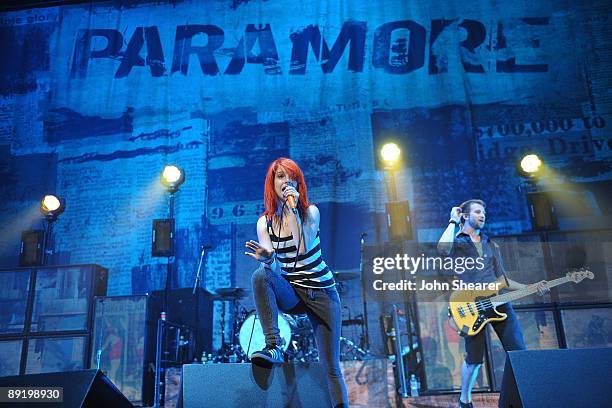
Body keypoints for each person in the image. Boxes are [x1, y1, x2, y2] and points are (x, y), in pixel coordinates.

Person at [244, 157, 349, 407]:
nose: (285, 181)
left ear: (298, 184)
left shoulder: (310, 212)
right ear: (272, 183)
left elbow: (301, 248)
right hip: (292, 292)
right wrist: (268, 259)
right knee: (260, 275)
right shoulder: (264, 223)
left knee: (330, 367)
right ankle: (273, 346)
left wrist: (292, 209)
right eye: (280, 176)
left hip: (322, 293)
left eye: (291, 178)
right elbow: (276, 269)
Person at [437, 199, 548, 408]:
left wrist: (531, 287)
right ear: (466, 215)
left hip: (499, 303)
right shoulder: (457, 239)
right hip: (472, 306)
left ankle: (515, 401)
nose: (482, 215)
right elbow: (442, 250)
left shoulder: (490, 243)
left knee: (518, 354)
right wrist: (453, 221)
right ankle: (464, 400)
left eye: (484, 213)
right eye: (477, 212)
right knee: (474, 360)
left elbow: (503, 279)